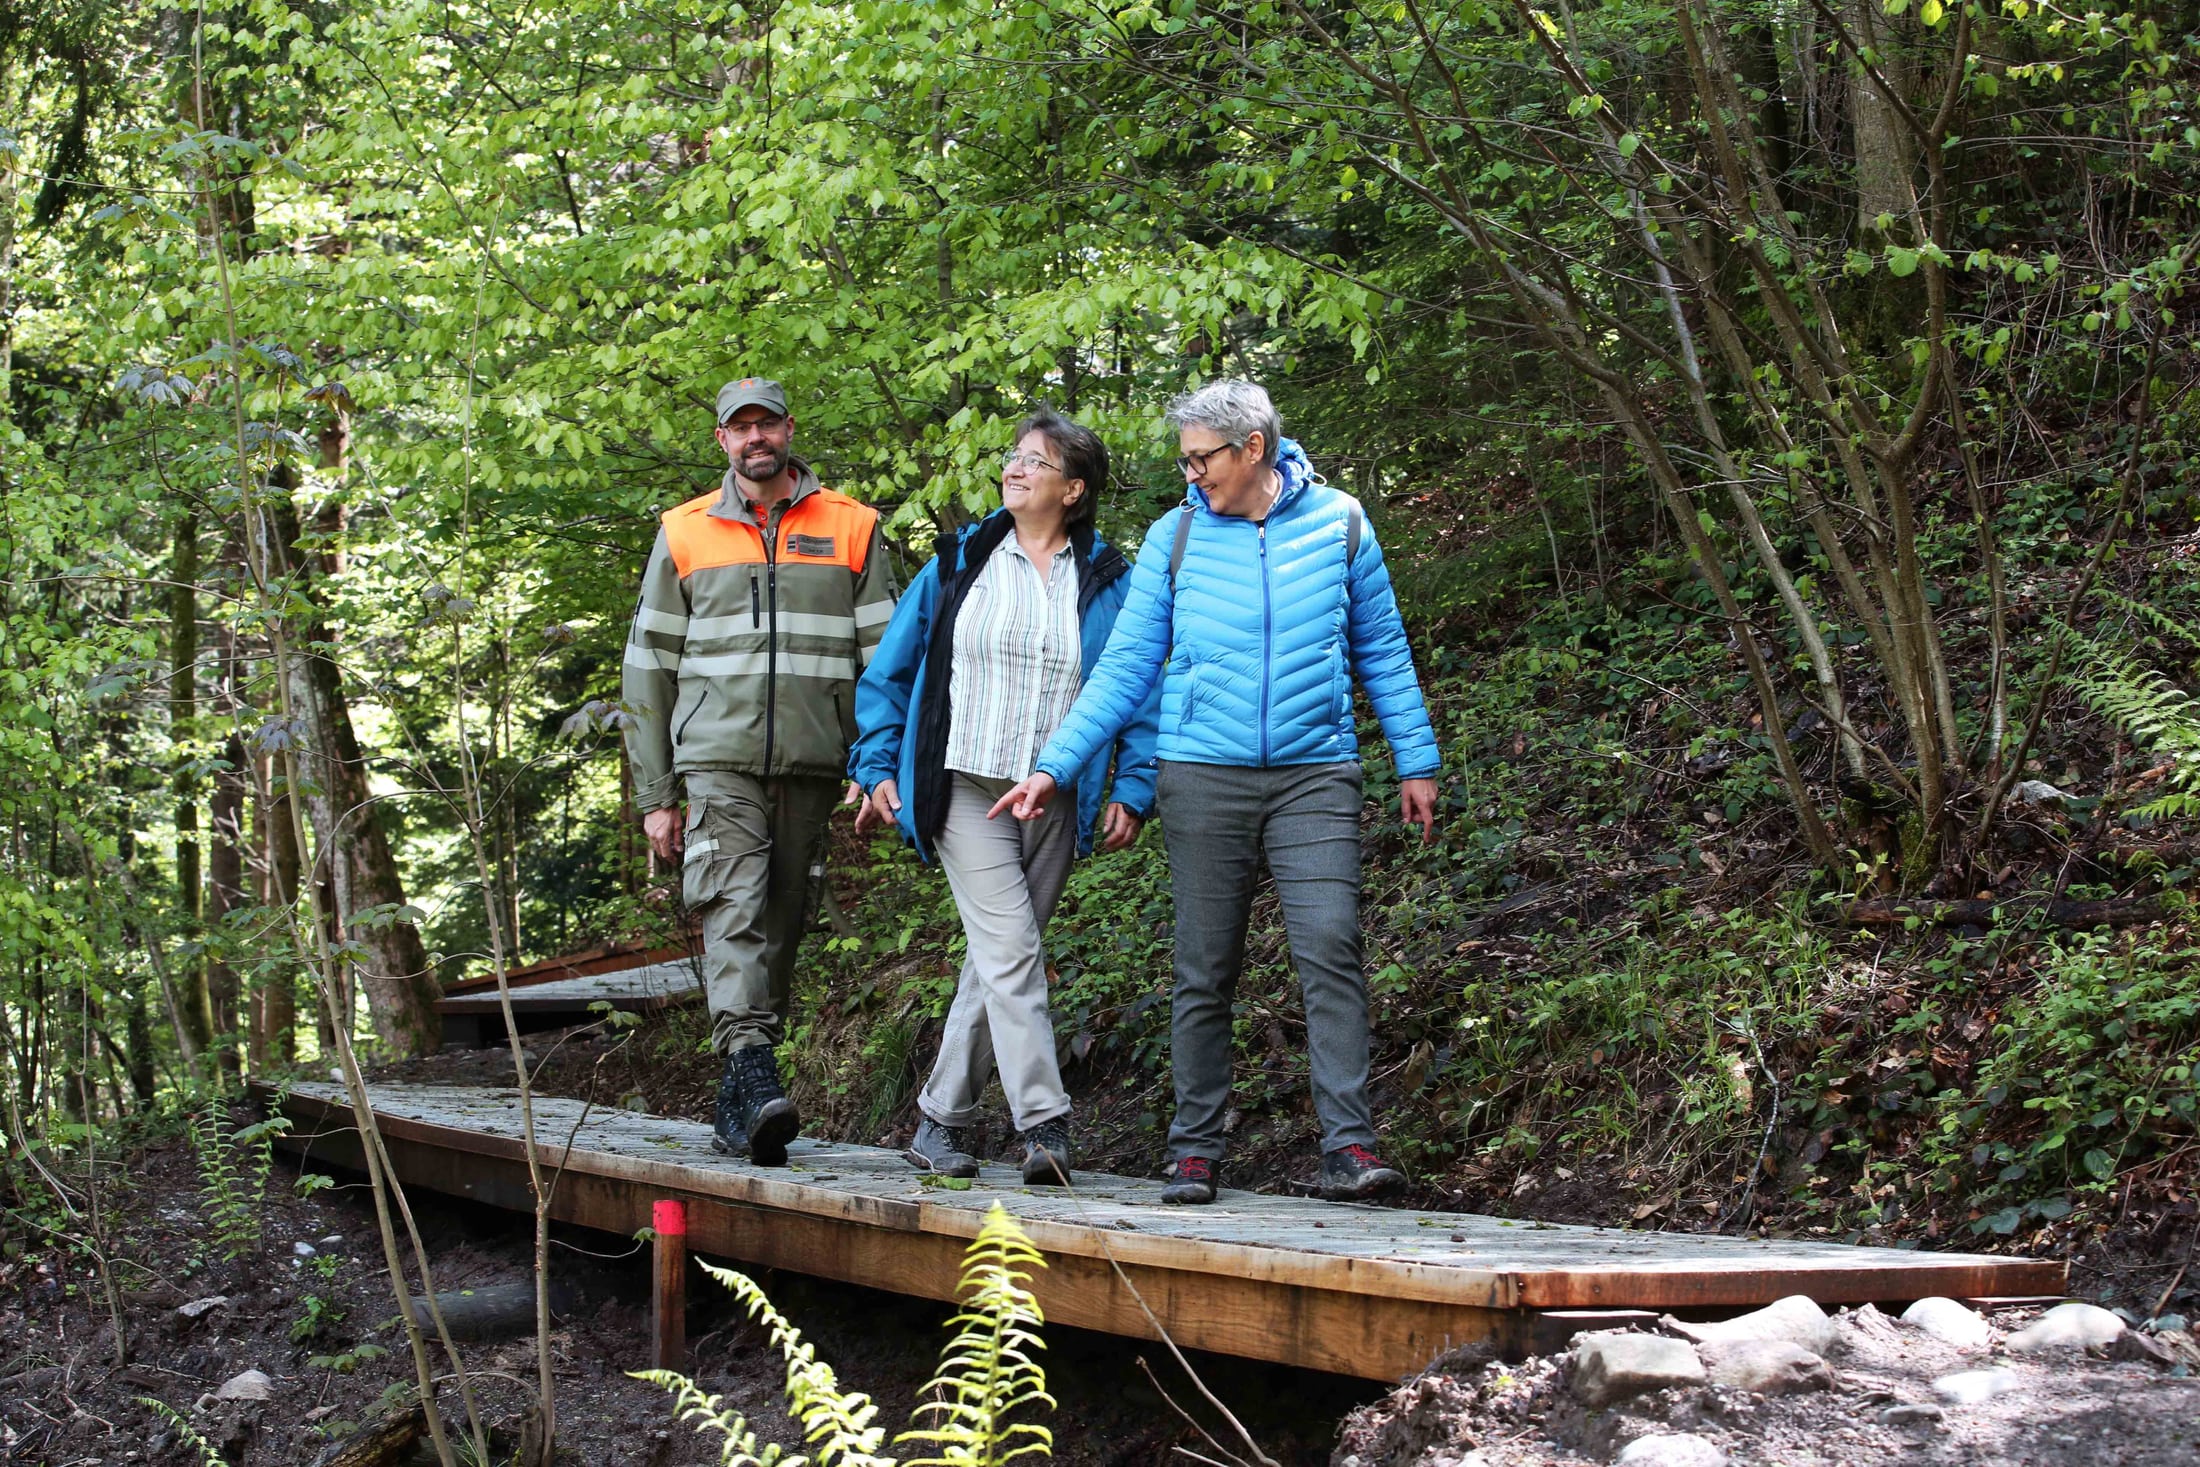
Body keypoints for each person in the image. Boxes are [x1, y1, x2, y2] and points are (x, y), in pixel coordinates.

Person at [990, 379, 1440, 1204]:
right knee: (1205, 965)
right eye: (1186, 459)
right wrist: (1055, 765)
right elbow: (1125, 667)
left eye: (1203, 458)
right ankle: (1194, 1149)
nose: (1190, 473)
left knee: (1331, 947)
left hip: (1316, 772)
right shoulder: (1178, 536)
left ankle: (1349, 1145)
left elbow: (1381, 646)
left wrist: (1416, 760)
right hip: (1201, 774)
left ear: (1254, 448)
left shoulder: (1340, 523)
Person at [849, 408, 1159, 1185]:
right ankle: (1045, 1123)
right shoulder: (960, 559)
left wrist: (1134, 781)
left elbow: (1137, 690)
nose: (1014, 469)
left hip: (1052, 798)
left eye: (1035, 461)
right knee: (1015, 952)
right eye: (1012, 457)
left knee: (995, 965)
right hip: (962, 786)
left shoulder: (1107, 581)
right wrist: (875, 761)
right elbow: (890, 669)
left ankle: (937, 1121)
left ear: (1075, 488)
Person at [623, 377, 896, 1165]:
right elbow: (647, 672)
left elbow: (883, 658)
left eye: (766, 424)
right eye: (739, 428)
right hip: (715, 759)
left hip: (814, 761)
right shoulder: (683, 532)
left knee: (781, 922)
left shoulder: (852, 526)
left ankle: (740, 1101)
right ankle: (751, 1063)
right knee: (733, 905)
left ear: (788, 428)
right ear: (721, 441)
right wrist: (655, 794)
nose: (754, 439)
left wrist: (875, 757)